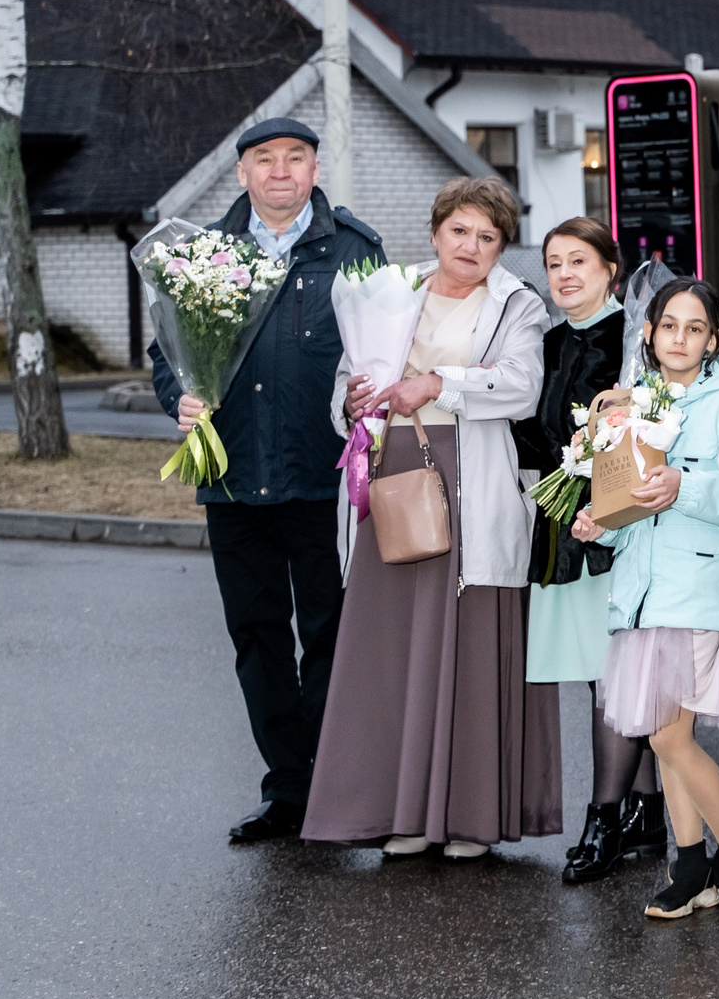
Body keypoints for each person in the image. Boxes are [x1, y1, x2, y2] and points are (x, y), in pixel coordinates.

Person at [303, 178, 556, 860]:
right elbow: (346, 384)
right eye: (459, 231)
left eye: (488, 236)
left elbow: (522, 387)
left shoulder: (516, 303)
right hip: (391, 477)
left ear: (502, 245)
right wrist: (353, 402)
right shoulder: (390, 288)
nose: (471, 246)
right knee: (393, 651)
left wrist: (440, 383)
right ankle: (402, 811)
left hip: (470, 481)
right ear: (436, 230)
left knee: (467, 650)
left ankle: (469, 816)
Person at [152, 117, 383, 845]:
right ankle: (288, 788)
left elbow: (382, 347)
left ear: (315, 168)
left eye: (295, 158)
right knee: (256, 637)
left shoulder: (354, 247)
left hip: (322, 476)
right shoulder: (205, 254)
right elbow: (167, 355)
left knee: (331, 636)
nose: (280, 171)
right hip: (234, 479)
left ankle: (335, 787)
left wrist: (367, 393)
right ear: (244, 173)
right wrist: (179, 397)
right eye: (264, 160)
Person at [571, 278, 719, 920]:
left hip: (695, 586)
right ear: (649, 334)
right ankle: (692, 867)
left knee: (668, 737)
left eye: (694, 328)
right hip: (642, 587)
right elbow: (630, 493)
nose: (679, 338)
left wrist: (684, 485)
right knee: (664, 737)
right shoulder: (636, 402)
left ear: (713, 339)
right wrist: (602, 518)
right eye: (668, 326)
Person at [509, 217, 651, 886]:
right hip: (565, 524)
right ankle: (645, 810)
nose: (565, 273)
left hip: (618, 522)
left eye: (579, 262)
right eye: (554, 263)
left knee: (615, 674)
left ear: (609, 270)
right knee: (606, 675)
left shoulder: (634, 336)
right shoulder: (548, 339)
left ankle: (604, 819)